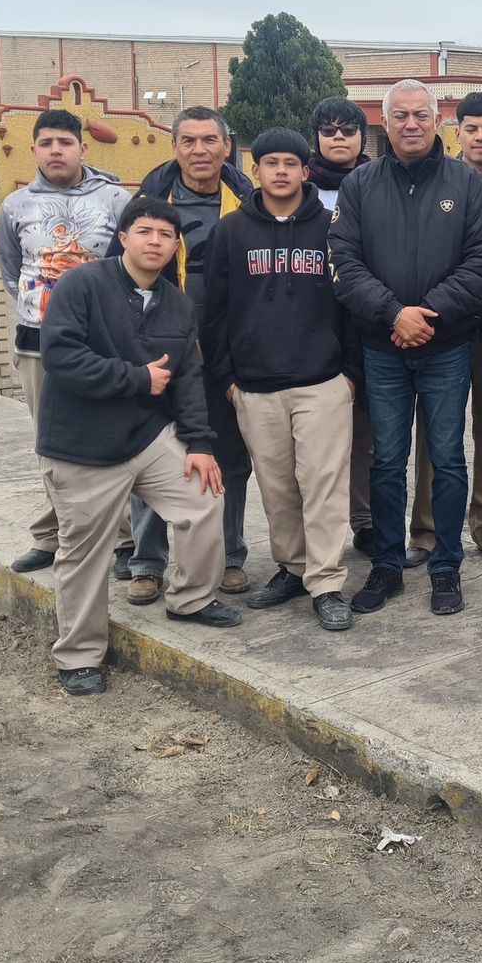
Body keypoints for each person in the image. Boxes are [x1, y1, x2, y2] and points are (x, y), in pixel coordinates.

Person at [36, 195, 243, 697]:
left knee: (203, 496)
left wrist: (198, 442)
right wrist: (135, 379)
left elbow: (188, 378)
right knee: (85, 550)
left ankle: (191, 598)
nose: (155, 241)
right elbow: (60, 356)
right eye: (145, 231)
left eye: (165, 235)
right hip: (82, 445)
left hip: (147, 439)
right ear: (124, 237)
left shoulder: (177, 303)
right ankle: (80, 653)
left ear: (176, 246)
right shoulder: (81, 284)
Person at [331, 79, 482, 618]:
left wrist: (425, 314)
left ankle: (446, 565)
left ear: (437, 121)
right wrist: (392, 314)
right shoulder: (360, 185)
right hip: (381, 347)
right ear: (385, 124)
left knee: (448, 459)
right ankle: (386, 563)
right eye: (400, 115)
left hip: (446, 345)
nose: (410, 124)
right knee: (387, 461)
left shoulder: (468, 185)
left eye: (420, 115)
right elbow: (344, 261)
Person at [200, 128, 364, 632]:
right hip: (254, 383)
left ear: (304, 169)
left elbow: (352, 303)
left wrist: (351, 375)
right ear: (255, 170)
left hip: (322, 380)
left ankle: (327, 582)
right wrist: (227, 378)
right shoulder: (230, 231)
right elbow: (215, 312)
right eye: (270, 162)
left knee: (323, 484)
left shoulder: (332, 226)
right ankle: (292, 568)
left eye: (290, 163)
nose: (280, 171)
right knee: (277, 487)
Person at [115, 105, 255, 604]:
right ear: (174, 147)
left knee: (231, 461)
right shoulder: (149, 201)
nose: (200, 151)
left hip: (227, 354)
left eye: (209, 141)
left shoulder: (248, 200)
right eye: (189, 141)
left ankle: (230, 556)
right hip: (160, 356)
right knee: (156, 458)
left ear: (226, 146)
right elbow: (121, 280)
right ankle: (148, 564)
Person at [0, 109, 130, 575]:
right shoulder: (16, 205)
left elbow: (126, 266)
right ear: (34, 150)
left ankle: (122, 541)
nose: (56, 150)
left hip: (102, 340)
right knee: (51, 444)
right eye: (47, 142)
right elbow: (13, 273)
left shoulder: (115, 198)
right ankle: (50, 537)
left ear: (82, 148)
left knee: (110, 438)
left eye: (65, 142)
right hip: (38, 341)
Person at [407, 91, 482, 568]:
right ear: (456, 133)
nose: (480, 137)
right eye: (470, 128)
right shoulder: (438, 181)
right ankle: (428, 531)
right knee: (435, 437)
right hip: (444, 329)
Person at [306, 95, 376, 552]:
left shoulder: (380, 182)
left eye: (348, 130)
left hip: (368, 321)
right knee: (316, 442)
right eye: (329, 130)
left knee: (367, 438)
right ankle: (315, 534)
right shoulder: (297, 186)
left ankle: (366, 521)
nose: (338, 137)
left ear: (362, 138)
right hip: (311, 325)